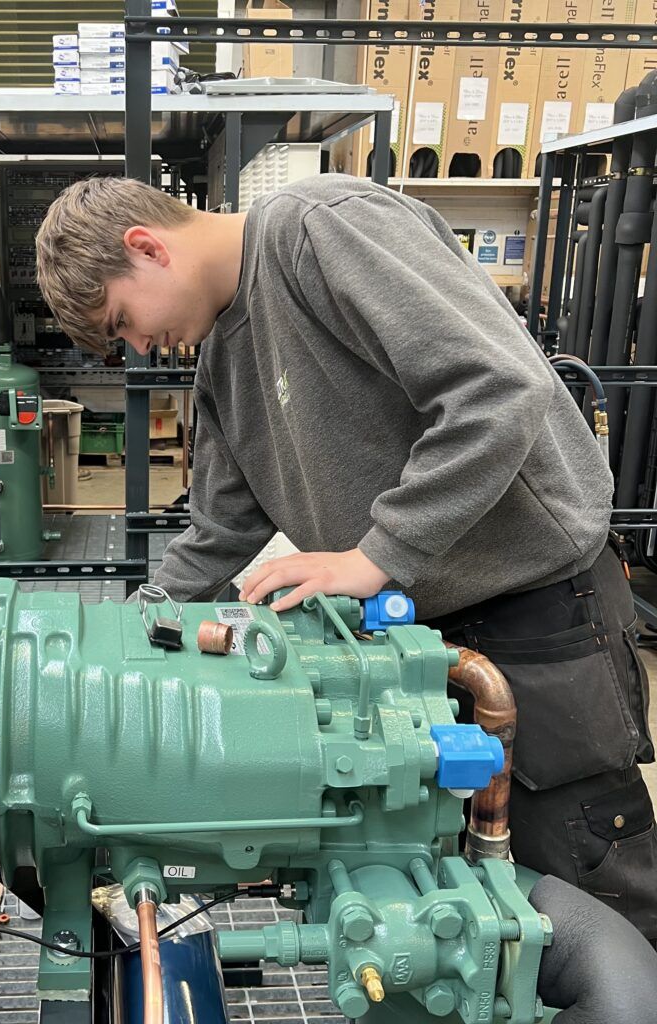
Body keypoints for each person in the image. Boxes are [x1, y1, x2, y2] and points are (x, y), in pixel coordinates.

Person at [35, 172, 656, 941]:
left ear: (146, 246)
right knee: (453, 909)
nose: (136, 347)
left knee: (591, 898)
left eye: (124, 321)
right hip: (416, 638)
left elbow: (500, 390)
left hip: (536, 616)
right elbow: (221, 528)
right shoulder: (221, 357)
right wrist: (133, 631)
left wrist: (376, 555)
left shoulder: (322, 229)